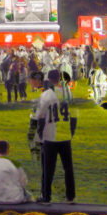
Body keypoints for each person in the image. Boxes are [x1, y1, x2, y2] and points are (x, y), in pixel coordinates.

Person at [32, 70, 75, 203]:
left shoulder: (47, 94)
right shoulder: (67, 93)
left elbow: (39, 115)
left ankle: (46, 196)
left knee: (48, 168)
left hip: (51, 134)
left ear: (49, 79)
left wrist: (39, 134)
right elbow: (73, 114)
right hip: (65, 134)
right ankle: (70, 196)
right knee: (68, 167)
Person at [0, 140, 31, 204]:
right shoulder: (15, 163)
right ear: (8, 151)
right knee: (28, 195)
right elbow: (24, 182)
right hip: (15, 199)